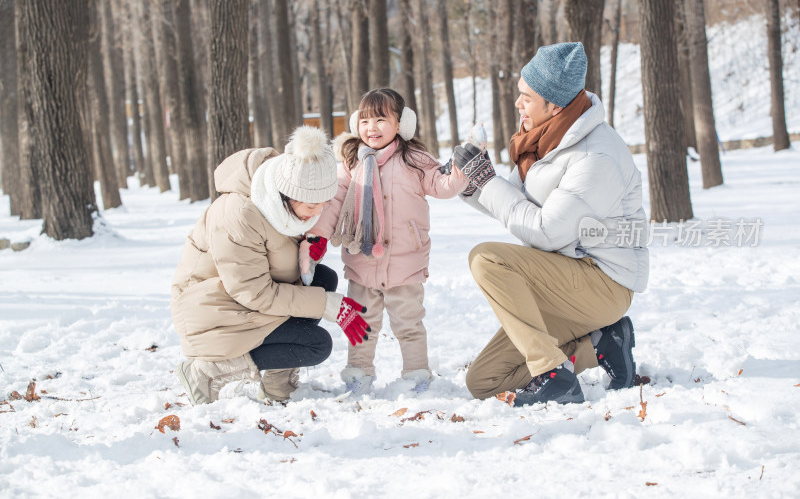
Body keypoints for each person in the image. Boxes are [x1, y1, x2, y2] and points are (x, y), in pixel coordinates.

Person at [454, 42, 649, 406]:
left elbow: (546, 232)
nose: (518, 104)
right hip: (563, 280)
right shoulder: (550, 142)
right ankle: (601, 345)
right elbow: (512, 202)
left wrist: (487, 180)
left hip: (602, 283)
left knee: (487, 259)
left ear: (554, 104)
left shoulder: (596, 155)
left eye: (526, 97)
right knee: (484, 380)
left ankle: (550, 372)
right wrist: (470, 183)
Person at [172, 126, 371, 406]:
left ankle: (278, 386)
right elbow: (254, 292)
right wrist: (328, 305)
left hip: (243, 302)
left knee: (322, 279)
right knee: (316, 344)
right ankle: (205, 371)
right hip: (214, 313)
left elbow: (279, 265)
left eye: (324, 205)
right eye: (311, 206)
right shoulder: (238, 215)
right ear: (287, 194)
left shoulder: (281, 204)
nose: (318, 214)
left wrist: (307, 252)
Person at [306, 88, 469, 397]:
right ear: (356, 124)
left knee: (408, 324)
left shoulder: (414, 159)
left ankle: (417, 376)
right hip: (362, 261)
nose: (372, 128)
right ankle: (358, 376)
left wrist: (463, 167)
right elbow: (334, 203)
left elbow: (442, 185)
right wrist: (318, 238)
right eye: (366, 120)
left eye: (381, 119)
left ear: (401, 124)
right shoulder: (352, 161)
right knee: (362, 326)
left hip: (405, 263)